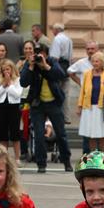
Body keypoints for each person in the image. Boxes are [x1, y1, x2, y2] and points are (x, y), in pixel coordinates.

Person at [19, 43, 72, 173]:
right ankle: (41, 163)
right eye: (36, 53)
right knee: (38, 135)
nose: (38, 56)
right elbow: (23, 82)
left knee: (61, 134)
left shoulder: (52, 62)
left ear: (46, 54)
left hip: (53, 103)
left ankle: (66, 161)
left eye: (41, 53)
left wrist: (46, 66)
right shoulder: (30, 64)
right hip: (38, 104)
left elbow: (60, 75)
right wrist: (31, 67)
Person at [69, 40, 104, 153]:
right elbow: (83, 92)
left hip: (102, 107)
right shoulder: (87, 74)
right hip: (88, 108)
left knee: (102, 134)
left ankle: (102, 156)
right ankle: (91, 156)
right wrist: (79, 106)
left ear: (102, 62)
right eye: (93, 61)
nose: (94, 63)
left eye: (97, 61)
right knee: (90, 134)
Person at [0, 59, 23, 165]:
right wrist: (3, 85)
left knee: (15, 133)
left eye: (8, 69)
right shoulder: (0, 81)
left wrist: (9, 84)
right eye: (4, 70)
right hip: (2, 108)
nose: (6, 72)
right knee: (3, 133)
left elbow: (17, 94)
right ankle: (4, 158)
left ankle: (17, 158)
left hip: (13, 108)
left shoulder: (18, 80)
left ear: (12, 69)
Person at [49, 23, 73, 124]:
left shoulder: (57, 39)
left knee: (55, 92)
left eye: (53, 29)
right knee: (66, 94)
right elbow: (70, 56)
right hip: (67, 67)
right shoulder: (69, 39)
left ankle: (56, 117)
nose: (52, 31)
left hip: (58, 66)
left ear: (56, 30)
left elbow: (55, 57)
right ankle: (66, 117)